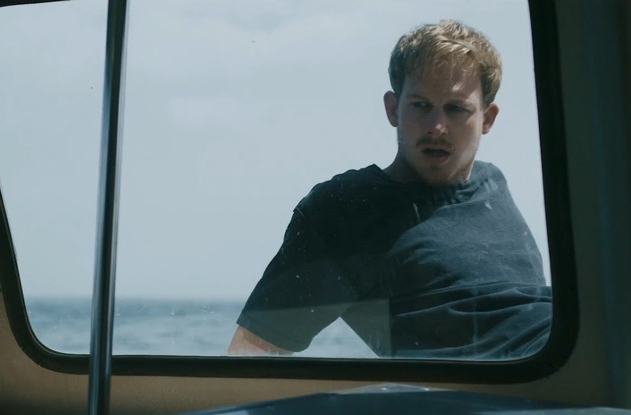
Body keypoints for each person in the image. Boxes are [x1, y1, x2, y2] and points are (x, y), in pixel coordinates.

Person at [227, 20, 552, 359]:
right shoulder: (347, 209)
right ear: (392, 108)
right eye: (421, 105)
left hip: (566, 360)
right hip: (492, 394)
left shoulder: (492, 182)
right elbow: (251, 353)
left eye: (455, 109)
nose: (436, 127)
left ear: (487, 119)